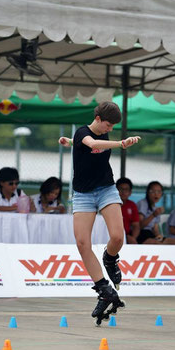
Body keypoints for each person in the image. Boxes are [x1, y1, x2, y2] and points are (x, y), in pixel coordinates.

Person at [59, 101, 141, 324]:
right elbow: (90, 142)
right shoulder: (83, 132)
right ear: (97, 119)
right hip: (84, 195)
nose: (110, 129)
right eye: (108, 124)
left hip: (106, 190)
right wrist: (122, 143)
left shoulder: (99, 136)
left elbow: (89, 146)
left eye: (113, 126)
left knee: (117, 237)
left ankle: (110, 259)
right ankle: (103, 289)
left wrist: (68, 142)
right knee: (82, 242)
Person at [116, 177, 140, 244]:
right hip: (111, 235)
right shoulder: (110, 204)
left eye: (126, 189)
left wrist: (133, 238)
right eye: (121, 189)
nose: (123, 192)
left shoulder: (132, 205)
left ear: (130, 192)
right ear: (115, 190)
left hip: (127, 236)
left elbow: (136, 225)